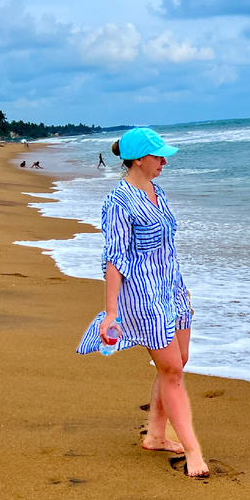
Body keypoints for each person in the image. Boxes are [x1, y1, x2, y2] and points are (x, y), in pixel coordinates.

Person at [76, 128, 208, 478]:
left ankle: (155, 435)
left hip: (172, 288)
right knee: (173, 372)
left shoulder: (156, 191)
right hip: (142, 294)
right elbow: (114, 259)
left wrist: (180, 287)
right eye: (158, 155)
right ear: (137, 159)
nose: (165, 161)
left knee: (179, 361)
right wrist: (112, 312)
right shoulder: (117, 202)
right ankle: (194, 452)